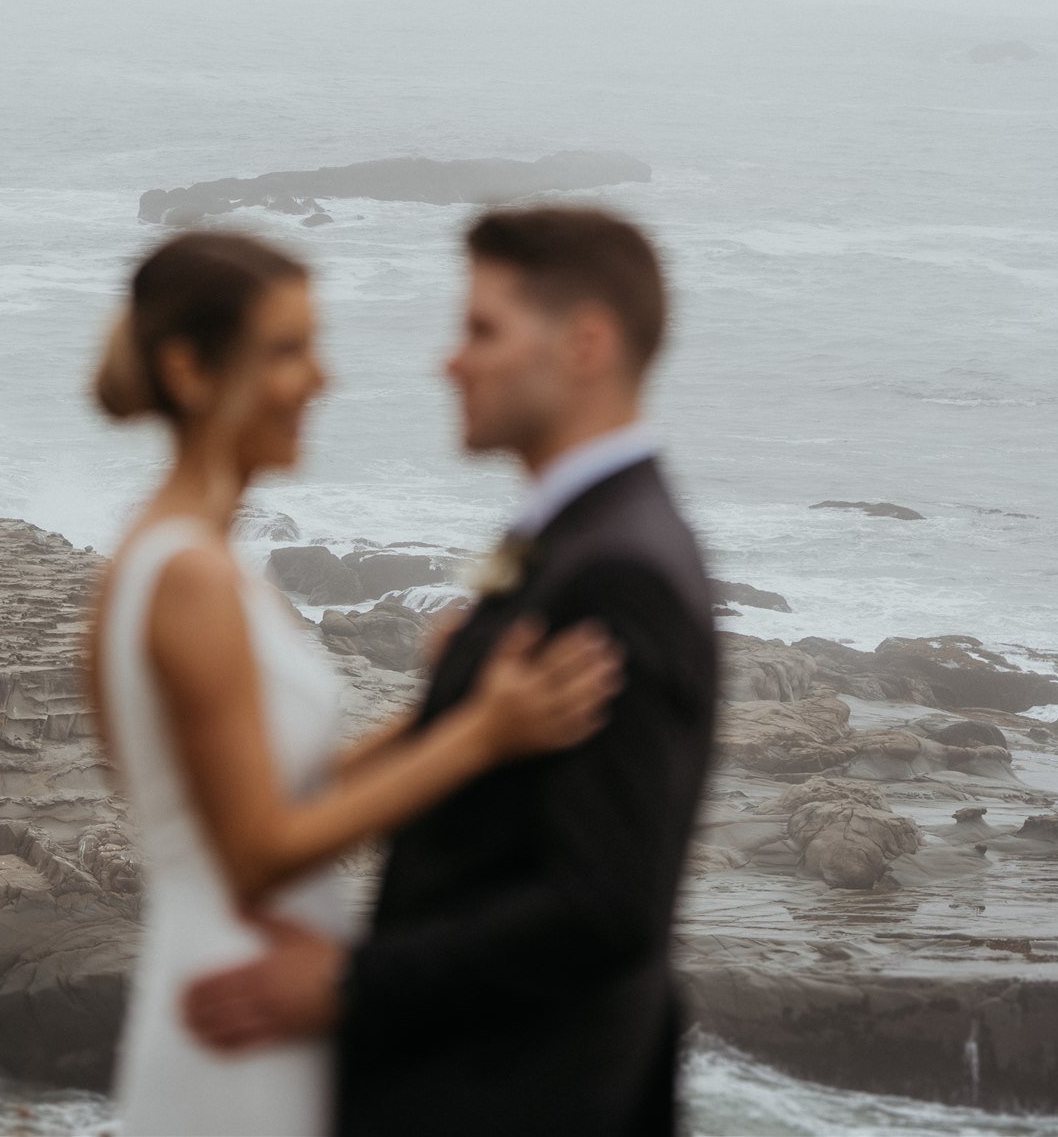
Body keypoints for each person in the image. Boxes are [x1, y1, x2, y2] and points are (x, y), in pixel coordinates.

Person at [183, 207, 720, 1137]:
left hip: (519, 1100)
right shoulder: (576, 539)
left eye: (482, 329)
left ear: (586, 345)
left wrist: (351, 981)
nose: (450, 361)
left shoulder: (617, 572)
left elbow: (606, 905)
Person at [85, 229, 623, 1137]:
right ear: (190, 372)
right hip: (241, 999)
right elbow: (257, 849)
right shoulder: (189, 577)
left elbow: (294, 791)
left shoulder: (192, 559)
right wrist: (480, 736)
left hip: (247, 979)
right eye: (288, 350)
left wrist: (449, 699)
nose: (321, 380)